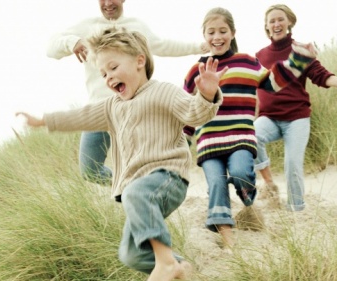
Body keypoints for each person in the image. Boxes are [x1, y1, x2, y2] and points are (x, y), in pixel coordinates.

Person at [18, 27, 226, 281]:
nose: (107, 77)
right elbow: (79, 116)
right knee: (131, 253)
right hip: (138, 188)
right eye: (103, 73)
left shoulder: (163, 91)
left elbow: (195, 114)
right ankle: (179, 267)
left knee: (135, 192)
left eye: (113, 68)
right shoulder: (111, 107)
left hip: (167, 177)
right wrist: (43, 121)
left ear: (140, 61)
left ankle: (165, 263)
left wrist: (206, 94)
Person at [183, 7, 318, 248]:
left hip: (241, 137)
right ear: (204, 36)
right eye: (211, 32)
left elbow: (274, 82)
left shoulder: (246, 62)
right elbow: (187, 112)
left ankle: (248, 202)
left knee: (241, 175)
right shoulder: (196, 71)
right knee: (216, 183)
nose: (217, 37)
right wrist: (183, 142)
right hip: (209, 141)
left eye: (223, 31)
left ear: (232, 33)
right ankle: (229, 240)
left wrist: (299, 60)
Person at [46, 0, 208, 185]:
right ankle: (130, 186)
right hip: (100, 111)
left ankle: (144, 194)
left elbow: (163, 46)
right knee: (90, 171)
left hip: (133, 109)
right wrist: (71, 41)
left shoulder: (135, 26)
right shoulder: (87, 27)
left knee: (142, 163)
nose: (107, 3)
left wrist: (198, 47)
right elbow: (50, 48)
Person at [254, 4, 337, 211]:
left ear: (289, 22)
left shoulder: (301, 51)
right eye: (272, 21)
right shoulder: (259, 55)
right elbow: (254, 86)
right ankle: (269, 183)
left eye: (280, 19)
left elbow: (322, 76)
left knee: (292, 166)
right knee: (251, 135)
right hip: (269, 117)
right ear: (267, 27)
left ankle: (296, 209)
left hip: (296, 119)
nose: (277, 24)